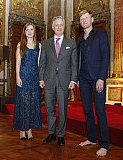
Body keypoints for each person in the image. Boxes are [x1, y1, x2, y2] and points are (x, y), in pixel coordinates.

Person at [39, 16, 78, 146]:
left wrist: (73, 80)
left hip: (64, 80)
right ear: (52, 27)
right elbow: (42, 63)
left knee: (62, 109)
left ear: (64, 26)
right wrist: (41, 79)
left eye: (61, 25)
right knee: (49, 108)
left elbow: (74, 64)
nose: (59, 27)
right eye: (57, 25)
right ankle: (51, 133)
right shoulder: (45, 43)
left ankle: (61, 135)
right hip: (49, 80)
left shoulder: (71, 43)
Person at [77, 10, 110, 156]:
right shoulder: (79, 39)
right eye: (81, 19)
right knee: (87, 110)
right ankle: (91, 138)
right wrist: (77, 78)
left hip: (97, 79)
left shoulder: (101, 34)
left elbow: (105, 57)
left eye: (86, 18)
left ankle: (104, 144)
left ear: (92, 18)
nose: (84, 20)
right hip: (83, 79)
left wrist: (101, 78)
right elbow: (78, 60)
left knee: (100, 111)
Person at [13, 23, 42, 140]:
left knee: (32, 104)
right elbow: (18, 63)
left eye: (31, 29)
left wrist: (41, 78)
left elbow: (40, 64)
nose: (29, 32)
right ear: (24, 32)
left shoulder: (39, 46)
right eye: (27, 30)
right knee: (23, 103)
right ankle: (22, 130)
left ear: (34, 31)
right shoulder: (21, 45)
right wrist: (17, 77)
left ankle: (29, 130)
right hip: (23, 77)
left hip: (34, 78)